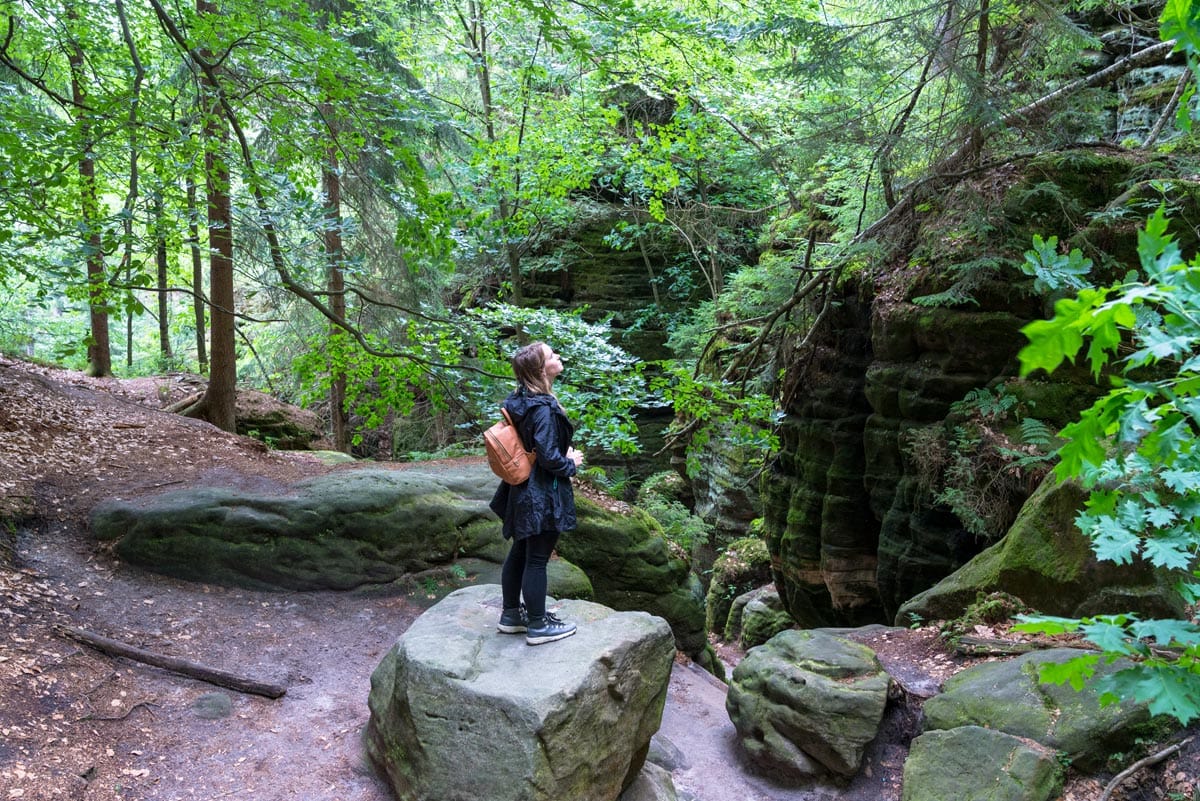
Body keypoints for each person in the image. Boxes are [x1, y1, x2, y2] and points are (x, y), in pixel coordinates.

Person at [488, 341, 584, 645]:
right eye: (552, 356)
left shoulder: (520, 399)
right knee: (537, 558)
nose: (559, 357)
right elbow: (546, 456)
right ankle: (539, 625)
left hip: (522, 489)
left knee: (520, 550)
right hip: (541, 493)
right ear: (541, 369)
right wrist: (569, 463)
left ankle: (511, 615)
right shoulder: (542, 407)